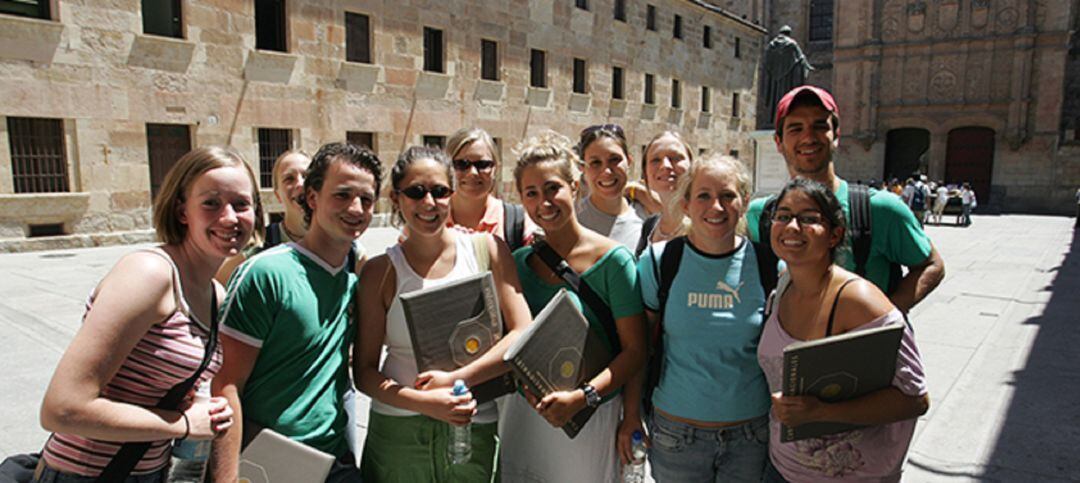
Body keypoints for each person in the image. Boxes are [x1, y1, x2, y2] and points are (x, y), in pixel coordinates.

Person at [38, 146, 260, 481]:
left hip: (151, 471)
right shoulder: (150, 274)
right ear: (182, 210)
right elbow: (62, 408)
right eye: (211, 203)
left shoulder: (215, 293)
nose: (229, 217)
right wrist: (182, 424)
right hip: (86, 474)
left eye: (241, 204)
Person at [355, 146, 532, 482]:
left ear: (452, 193)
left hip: (471, 425)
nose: (428, 203)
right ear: (397, 198)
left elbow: (523, 331)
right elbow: (364, 372)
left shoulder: (488, 251)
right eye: (416, 192)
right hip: (398, 433)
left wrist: (455, 381)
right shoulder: (380, 272)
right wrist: (424, 402)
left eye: (439, 191)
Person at [208, 143, 382, 482]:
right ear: (312, 197)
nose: (356, 208)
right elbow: (226, 383)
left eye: (366, 199)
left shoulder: (352, 281)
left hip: (333, 461)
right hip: (268, 460)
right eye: (342, 195)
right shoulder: (266, 274)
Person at [757, 178, 929, 482]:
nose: (792, 227)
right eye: (783, 216)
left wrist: (821, 412)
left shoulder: (858, 300)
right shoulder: (781, 289)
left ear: (835, 235)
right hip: (782, 468)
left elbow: (914, 398)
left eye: (809, 218)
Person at [500, 132, 647, 483]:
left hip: (589, 415)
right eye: (531, 194)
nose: (544, 202)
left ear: (575, 186)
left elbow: (636, 350)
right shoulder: (518, 263)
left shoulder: (614, 261)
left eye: (553, 188)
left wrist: (584, 397)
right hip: (525, 416)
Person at [746, 85, 945, 313]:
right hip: (787, 343)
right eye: (795, 128)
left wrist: (885, 319)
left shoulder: (880, 209)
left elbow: (932, 265)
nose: (808, 137)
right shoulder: (758, 215)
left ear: (836, 136)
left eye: (820, 126)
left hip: (861, 347)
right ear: (778, 142)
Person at [632, 155, 771, 482]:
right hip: (676, 435)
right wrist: (631, 415)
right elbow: (639, 346)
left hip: (750, 436)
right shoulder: (660, 261)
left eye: (727, 196)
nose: (716, 207)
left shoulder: (768, 266)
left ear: (744, 202)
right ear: (686, 204)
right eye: (704, 196)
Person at [215, 150, 312, 283]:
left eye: (307, 176)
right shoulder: (260, 246)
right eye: (289, 179)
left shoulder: (339, 242)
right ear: (278, 195)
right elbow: (218, 284)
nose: (300, 184)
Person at [444, 127, 537, 250]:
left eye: (482, 165)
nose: (473, 173)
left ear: (496, 168)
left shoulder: (517, 222)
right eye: (462, 164)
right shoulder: (430, 218)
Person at [574, 124, 651, 254]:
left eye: (614, 159)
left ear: (629, 161)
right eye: (596, 163)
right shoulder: (571, 219)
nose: (607, 171)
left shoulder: (648, 217)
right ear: (582, 168)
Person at [637, 131, 695, 245]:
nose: (665, 166)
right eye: (655, 160)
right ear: (645, 172)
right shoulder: (649, 227)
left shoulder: (706, 225)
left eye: (676, 158)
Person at [762, 25, 814, 128]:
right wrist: (807, 67)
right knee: (786, 96)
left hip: (774, 80)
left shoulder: (771, 46)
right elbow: (800, 59)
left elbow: (766, 63)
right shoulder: (792, 44)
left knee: (774, 98)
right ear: (788, 33)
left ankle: (773, 118)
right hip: (788, 80)